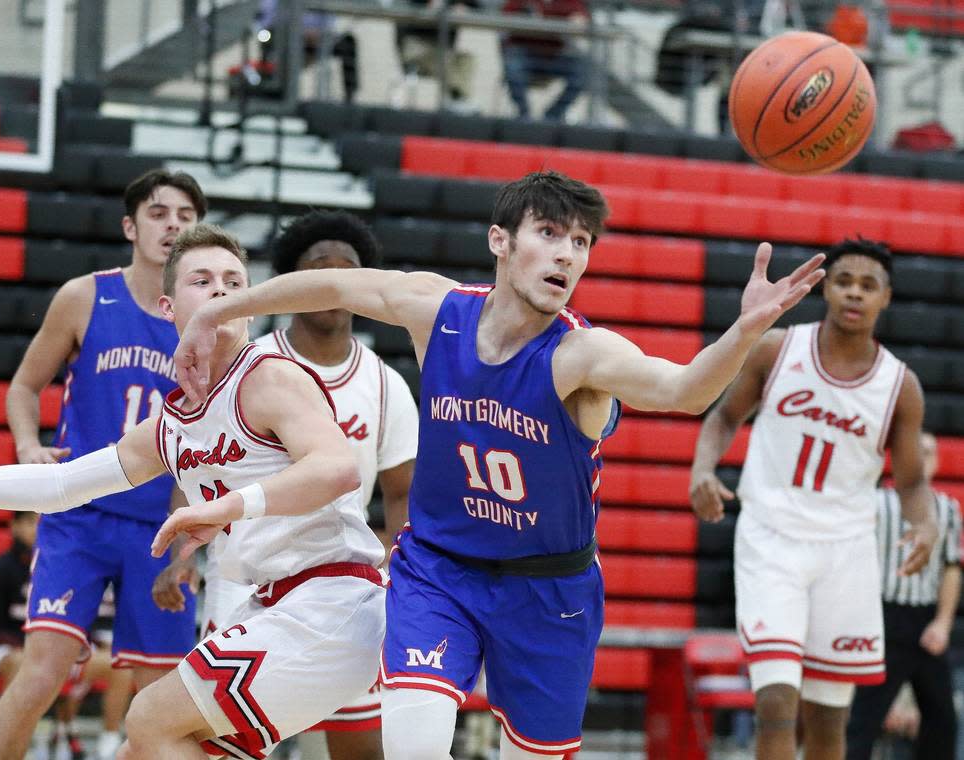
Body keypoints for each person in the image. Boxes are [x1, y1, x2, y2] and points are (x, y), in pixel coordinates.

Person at [166, 170, 825, 759]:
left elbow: (683, 391)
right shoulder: (438, 312)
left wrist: (742, 333)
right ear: (500, 242)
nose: (567, 253)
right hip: (439, 570)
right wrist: (222, 309)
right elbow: (336, 281)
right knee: (414, 745)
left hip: (547, 590)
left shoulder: (582, 356)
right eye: (550, 233)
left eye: (581, 243)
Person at [0, 223, 387, 759]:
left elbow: (339, 469)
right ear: (167, 306)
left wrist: (225, 506)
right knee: (140, 751)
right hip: (276, 604)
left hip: (332, 599)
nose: (221, 289)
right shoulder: (171, 426)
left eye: (234, 281)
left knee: (149, 716)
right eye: (202, 280)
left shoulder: (270, 376)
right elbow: (61, 484)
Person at [689, 237, 939, 760]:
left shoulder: (900, 385)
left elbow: (912, 480)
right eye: (845, 280)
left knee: (830, 725)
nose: (854, 293)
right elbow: (723, 417)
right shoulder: (778, 349)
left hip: (846, 552)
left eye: (868, 286)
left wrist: (926, 524)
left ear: (886, 298)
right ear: (827, 288)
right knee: (777, 704)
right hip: (771, 541)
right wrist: (703, 468)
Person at [0, 168, 208, 760]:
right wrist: (26, 446)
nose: (172, 225)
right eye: (160, 213)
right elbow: (23, 388)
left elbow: (204, 446)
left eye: (186, 217)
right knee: (40, 674)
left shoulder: (208, 322)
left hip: (156, 529)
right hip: (79, 515)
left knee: (160, 700)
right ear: (129, 225)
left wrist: (186, 546)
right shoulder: (85, 296)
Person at [201, 210, 418, 760]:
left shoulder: (386, 384)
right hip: (251, 572)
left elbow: (400, 494)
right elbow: (203, 464)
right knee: (226, 742)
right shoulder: (250, 365)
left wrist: (403, 573)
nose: (335, 281)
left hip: (344, 579)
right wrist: (185, 551)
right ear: (293, 284)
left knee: (361, 746)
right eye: (320, 269)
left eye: (349, 271)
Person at [0, 512, 133, 760]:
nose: (34, 528)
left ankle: (109, 739)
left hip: (52, 646)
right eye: (28, 522)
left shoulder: (62, 564)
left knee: (118, 664)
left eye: (38, 522)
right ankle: (15, 741)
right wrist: (29, 648)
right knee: (26, 664)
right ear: (14, 526)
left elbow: (78, 615)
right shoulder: (0, 568)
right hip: (7, 647)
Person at [846, 431, 961, 759]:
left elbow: (952, 568)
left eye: (928, 453)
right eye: (915, 451)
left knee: (942, 720)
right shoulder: (875, 502)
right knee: (863, 721)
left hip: (924, 620)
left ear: (937, 462)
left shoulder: (948, 509)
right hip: (882, 615)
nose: (922, 458)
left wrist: (942, 622)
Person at [500, 0, 589, 121]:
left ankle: (552, 116)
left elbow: (581, 19)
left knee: (581, 74)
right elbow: (504, 18)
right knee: (512, 67)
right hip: (524, 53)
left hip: (554, 55)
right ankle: (524, 115)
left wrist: (578, 21)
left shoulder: (569, 2)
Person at [256, 0, 358, 103]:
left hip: (315, 40)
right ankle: (267, 90)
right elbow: (266, 19)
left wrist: (318, 33)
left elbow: (329, 20)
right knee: (267, 38)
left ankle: (350, 96)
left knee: (347, 42)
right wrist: (298, 31)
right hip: (284, 37)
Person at [392, 0, 479, 111]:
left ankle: (458, 100)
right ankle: (456, 101)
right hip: (417, 45)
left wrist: (464, 6)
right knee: (446, 60)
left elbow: (478, 6)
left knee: (466, 59)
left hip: (443, 49)